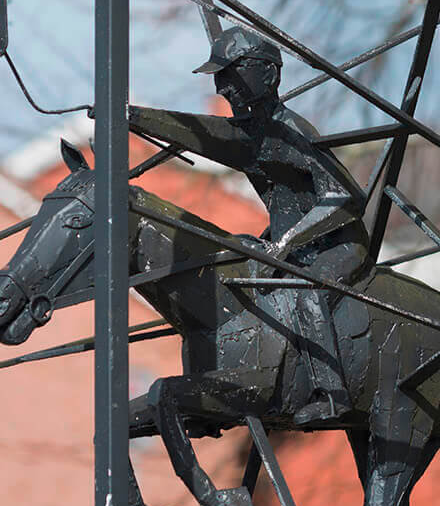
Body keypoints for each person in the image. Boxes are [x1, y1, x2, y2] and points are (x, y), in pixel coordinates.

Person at [120, 26, 371, 424]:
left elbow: (346, 198)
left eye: (232, 75)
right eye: (221, 79)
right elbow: (197, 133)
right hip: (287, 247)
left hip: (334, 247)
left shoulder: (292, 132)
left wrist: (287, 241)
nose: (223, 88)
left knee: (306, 292)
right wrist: (133, 116)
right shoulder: (251, 135)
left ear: (267, 75)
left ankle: (331, 391)